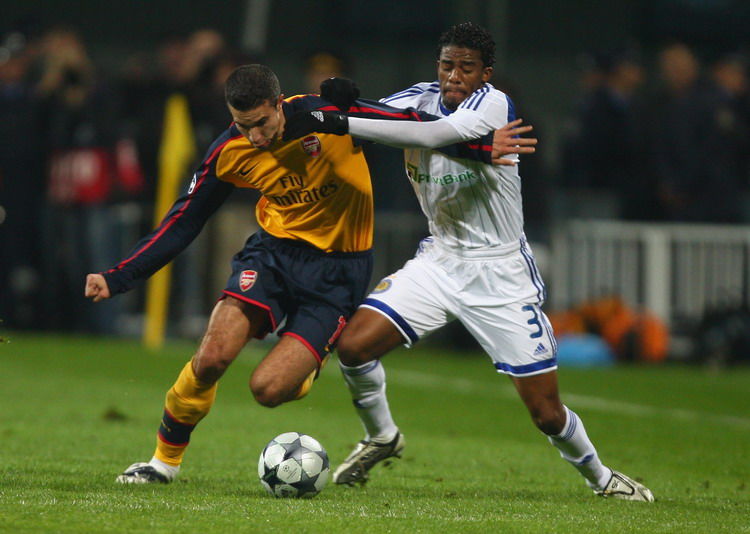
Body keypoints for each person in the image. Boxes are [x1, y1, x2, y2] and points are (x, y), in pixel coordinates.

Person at [84, 63, 526, 484]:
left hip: (338, 273)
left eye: (261, 123)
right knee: (211, 358)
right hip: (273, 256)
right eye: (243, 125)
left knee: (268, 390)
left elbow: (407, 124)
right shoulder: (229, 151)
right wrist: (118, 276)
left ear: (279, 103)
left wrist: (478, 148)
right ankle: (163, 463)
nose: (255, 137)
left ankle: (310, 361)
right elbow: (184, 220)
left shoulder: (325, 117)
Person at [283, 22, 654, 501]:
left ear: (485, 73)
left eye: (466, 67)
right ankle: (382, 436)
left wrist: (340, 120)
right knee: (354, 347)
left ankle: (602, 478)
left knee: (545, 412)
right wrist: (337, 106)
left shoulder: (493, 104)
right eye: (447, 65)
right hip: (440, 260)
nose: (454, 75)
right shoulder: (420, 97)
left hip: (500, 273)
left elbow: (434, 134)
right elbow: (379, 117)